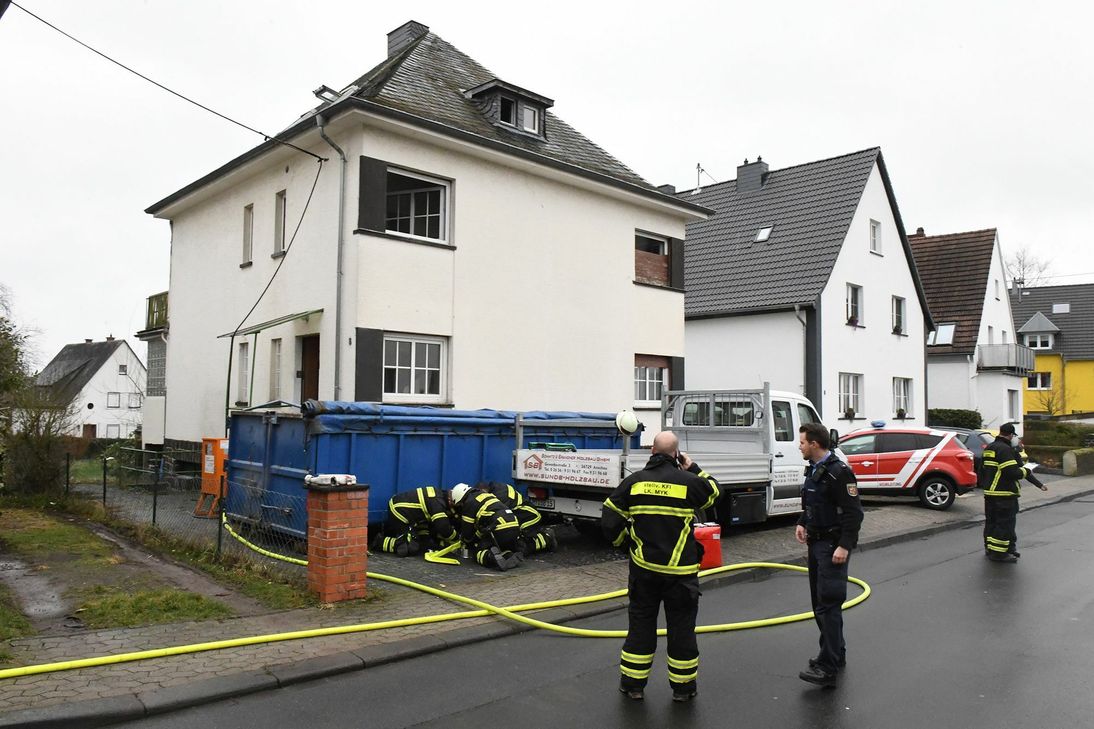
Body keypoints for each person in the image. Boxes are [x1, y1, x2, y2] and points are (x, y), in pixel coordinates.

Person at [601, 431, 720, 703]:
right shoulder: (689, 482)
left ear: (652, 450)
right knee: (682, 629)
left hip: (644, 571)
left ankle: (633, 685)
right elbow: (715, 492)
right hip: (681, 573)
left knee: (641, 626)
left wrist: (626, 542)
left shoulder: (635, 482)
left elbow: (609, 519)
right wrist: (694, 468)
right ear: (676, 454)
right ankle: (683, 689)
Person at [795, 422, 863, 687]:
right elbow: (814, 502)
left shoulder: (838, 472)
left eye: (802, 442)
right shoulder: (815, 470)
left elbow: (854, 512)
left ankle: (828, 666)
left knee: (829, 605)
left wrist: (845, 546)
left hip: (832, 546)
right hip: (816, 543)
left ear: (814, 444)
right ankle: (836, 653)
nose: (799, 446)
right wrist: (802, 521)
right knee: (819, 604)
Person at [980, 422, 1047, 562]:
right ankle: (999, 554)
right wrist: (1028, 469)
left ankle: (992, 548)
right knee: (1004, 524)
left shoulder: (990, 448)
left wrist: (1039, 484)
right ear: (1011, 435)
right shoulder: (1005, 450)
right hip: (1004, 494)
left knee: (992, 522)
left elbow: (983, 470)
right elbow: (1013, 473)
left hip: (990, 493)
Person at [451, 482, 524, 571]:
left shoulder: (469, 503)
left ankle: (491, 558)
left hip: (499, 528)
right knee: (500, 547)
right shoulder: (486, 495)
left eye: (460, 504)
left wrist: (465, 542)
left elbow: (467, 533)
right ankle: (509, 555)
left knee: (478, 551)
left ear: (460, 498)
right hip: (515, 526)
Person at [372, 486, 458, 556]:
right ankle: (379, 542)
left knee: (424, 544)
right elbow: (443, 527)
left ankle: (406, 539)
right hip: (399, 514)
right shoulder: (437, 503)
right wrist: (457, 539)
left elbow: (425, 517)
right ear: (451, 501)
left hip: (409, 515)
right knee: (410, 548)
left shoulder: (439, 496)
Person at [476, 481, 557, 555]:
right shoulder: (495, 491)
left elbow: (497, 517)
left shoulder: (500, 495)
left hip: (529, 515)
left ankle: (547, 537)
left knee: (519, 546)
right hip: (518, 514)